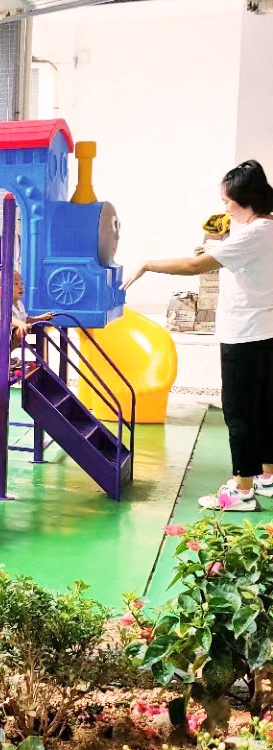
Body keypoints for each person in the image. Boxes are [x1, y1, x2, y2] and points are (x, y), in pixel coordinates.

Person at [124, 158, 273, 511]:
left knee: (238, 413)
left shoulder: (252, 235)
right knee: (264, 408)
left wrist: (147, 264)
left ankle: (242, 489)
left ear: (245, 199)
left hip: (244, 336)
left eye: (227, 202)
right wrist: (220, 242)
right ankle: (266, 476)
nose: (225, 208)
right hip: (265, 333)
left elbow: (194, 266)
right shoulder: (266, 229)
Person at [0, 268, 53, 364]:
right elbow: (8, 319)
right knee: (17, 331)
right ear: (2, 291)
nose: (20, 287)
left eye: (21, 283)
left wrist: (40, 318)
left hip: (2, 335)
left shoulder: (19, 304)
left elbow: (25, 319)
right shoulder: (1, 305)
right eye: (15, 284)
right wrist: (20, 324)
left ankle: (4, 358)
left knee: (16, 332)